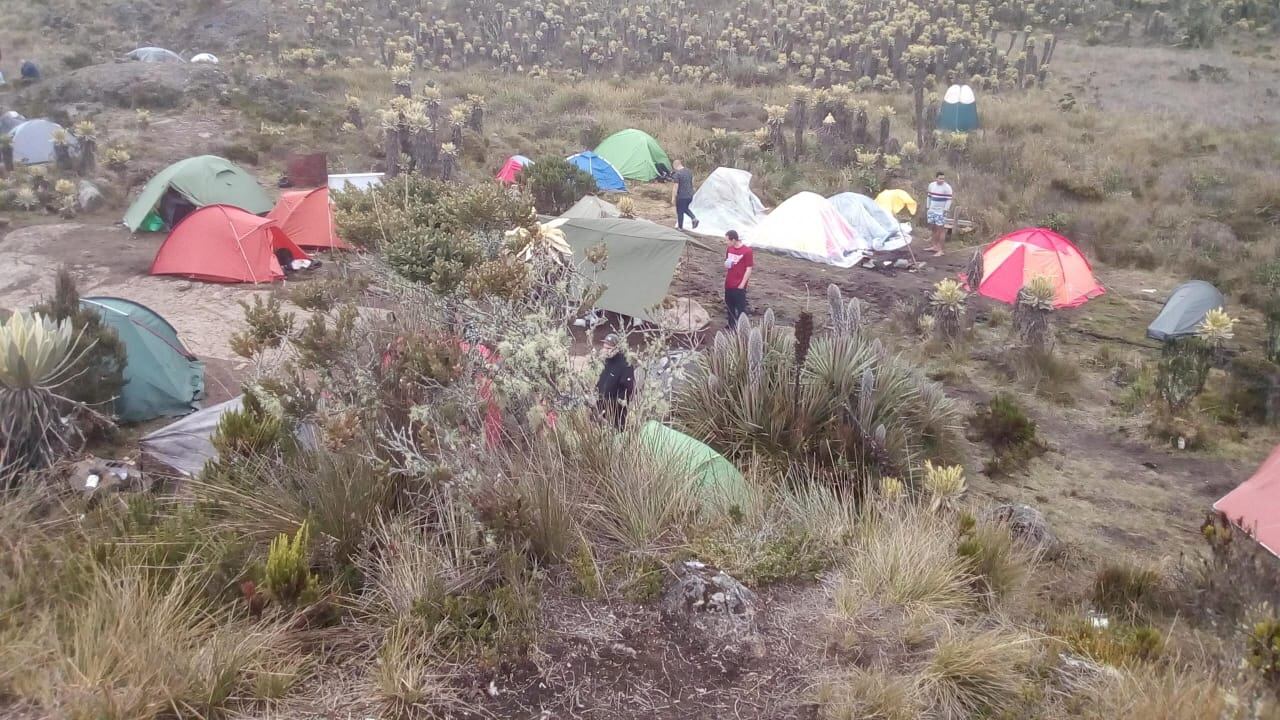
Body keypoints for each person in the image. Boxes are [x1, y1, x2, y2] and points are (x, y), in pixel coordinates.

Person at [596, 334, 635, 430]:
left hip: (615, 413)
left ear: (617, 348)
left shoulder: (625, 365)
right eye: (604, 348)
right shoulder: (604, 361)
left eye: (609, 348)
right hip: (600, 408)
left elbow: (628, 391)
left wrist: (613, 405)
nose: (606, 350)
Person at [724, 230, 753, 328]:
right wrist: (727, 264)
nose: (727, 243)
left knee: (740, 307)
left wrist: (742, 284)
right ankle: (731, 324)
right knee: (729, 305)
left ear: (733, 240)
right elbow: (727, 262)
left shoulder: (747, 251)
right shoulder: (729, 249)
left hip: (739, 284)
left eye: (728, 240)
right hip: (729, 283)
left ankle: (742, 327)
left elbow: (749, 269)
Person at [926, 171, 954, 256]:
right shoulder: (931, 185)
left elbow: (949, 200)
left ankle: (941, 250)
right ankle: (934, 246)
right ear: (936, 178)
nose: (942, 180)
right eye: (940, 178)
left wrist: (945, 210)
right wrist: (928, 207)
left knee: (941, 230)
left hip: (940, 211)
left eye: (943, 179)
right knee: (933, 228)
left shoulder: (947, 187)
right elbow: (929, 196)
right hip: (932, 209)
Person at [671, 159, 699, 230]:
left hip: (681, 196)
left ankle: (680, 227)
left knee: (680, 211)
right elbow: (692, 182)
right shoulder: (689, 172)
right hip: (690, 195)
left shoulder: (677, 174)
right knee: (685, 208)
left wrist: (673, 197)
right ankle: (694, 218)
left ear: (675, 165)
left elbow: (675, 186)